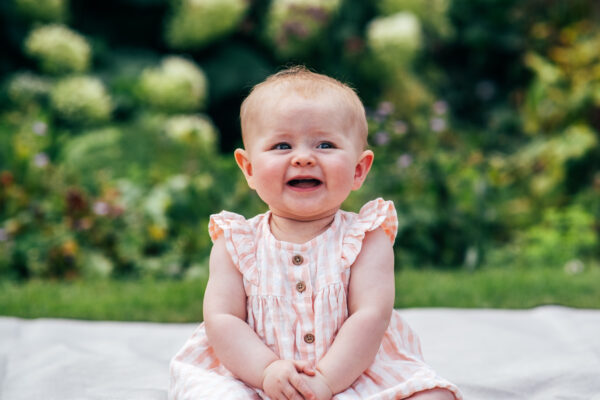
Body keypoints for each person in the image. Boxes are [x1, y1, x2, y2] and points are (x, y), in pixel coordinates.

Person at [169, 66, 462, 400]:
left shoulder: (367, 237)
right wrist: (266, 371)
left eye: (325, 144)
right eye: (281, 146)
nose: (304, 158)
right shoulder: (236, 242)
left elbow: (370, 315)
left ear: (358, 169)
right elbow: (222, 320)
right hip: (250, 374)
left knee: (434, 397)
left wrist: (324, 381)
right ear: (248, 168)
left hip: (355, 372)